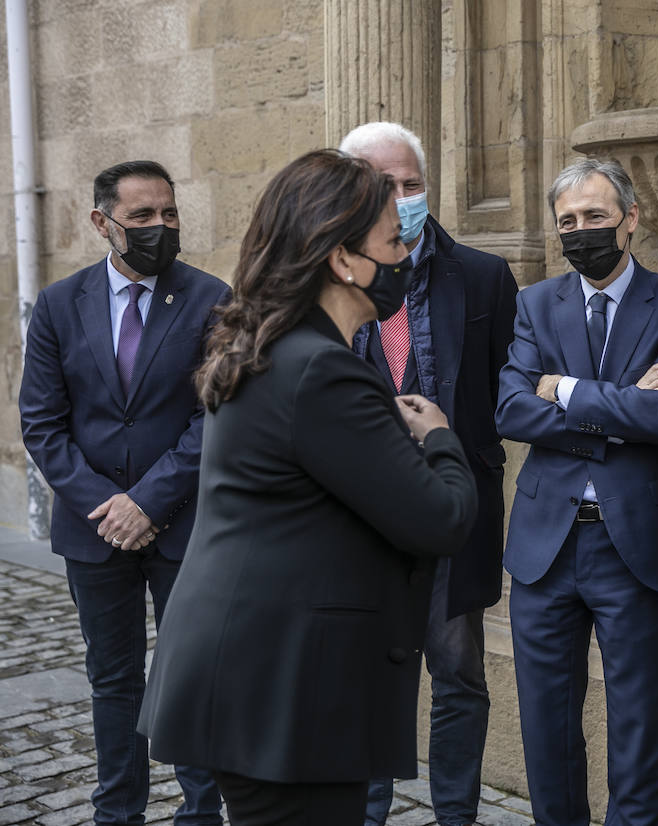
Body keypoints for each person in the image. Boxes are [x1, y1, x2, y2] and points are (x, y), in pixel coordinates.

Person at [137, 149, 479, 825]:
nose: (403, 257)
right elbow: (440, 518)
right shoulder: (319, 370)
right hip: (284, 691)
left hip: (259, 675)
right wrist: (440, 437)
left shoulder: (276, 347)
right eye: (390, 242)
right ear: (342, 259)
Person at [495, 157, 658, 826]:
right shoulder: (533, 303)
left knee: (642, 723)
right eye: (568, 222)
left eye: (595, 217)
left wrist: (564, 390)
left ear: (630, 220)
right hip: (545, 548)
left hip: (637, 546)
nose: (581, 231)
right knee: (546, 723)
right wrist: (616, 412)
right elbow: (508, 412)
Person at [18, 160, 226, 826]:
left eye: (168, 212)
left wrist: (149, 501)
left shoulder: (210, 298)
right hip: (94, 529)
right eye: (142, 217)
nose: (160, 227)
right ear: (102, 222)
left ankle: (201, 811)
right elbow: (43, 424)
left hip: (183, 524)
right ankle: (119, 812)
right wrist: (106, 508)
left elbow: (214, 414)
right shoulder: (59, 304)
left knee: (191, 676)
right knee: (112, 680)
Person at [339, 121, 518, 826]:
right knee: (368, 680)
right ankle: (369, 813)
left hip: (453, 513)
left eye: (412, 183)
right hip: (359, 517)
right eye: (385, 186)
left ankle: (456, 816)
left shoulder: (482, 275)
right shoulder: (332, 276)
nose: (402, 197)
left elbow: (511, 391)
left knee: (459, 676)